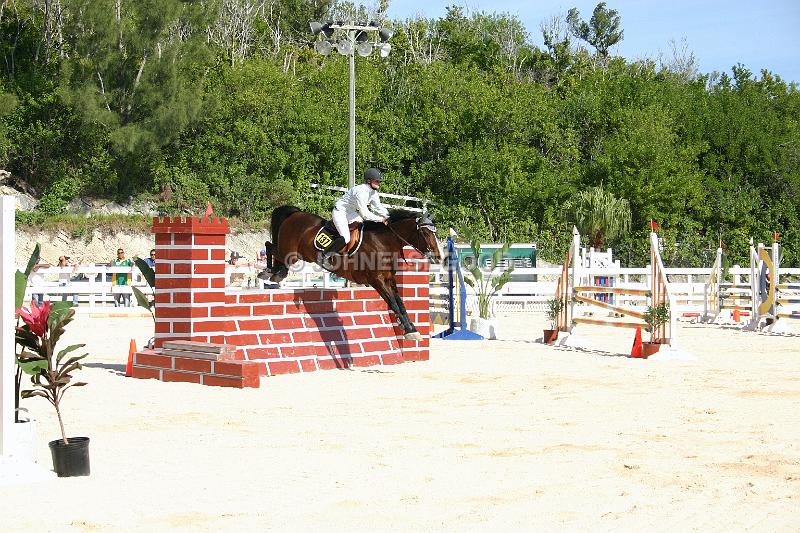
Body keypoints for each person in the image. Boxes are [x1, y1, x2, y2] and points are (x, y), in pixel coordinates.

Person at [320, 167, 390, 268]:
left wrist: (388, 216)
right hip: (340, 212)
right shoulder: (361, 191)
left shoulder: (373, 192)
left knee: (362, 227)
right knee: (346, 238)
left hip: (351, 212)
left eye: (380, 181)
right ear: (369, 180)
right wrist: (381, 219)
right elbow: (365, 214)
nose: (379, 183)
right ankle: (324, 256)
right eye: (377, 181)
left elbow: (378, 207)